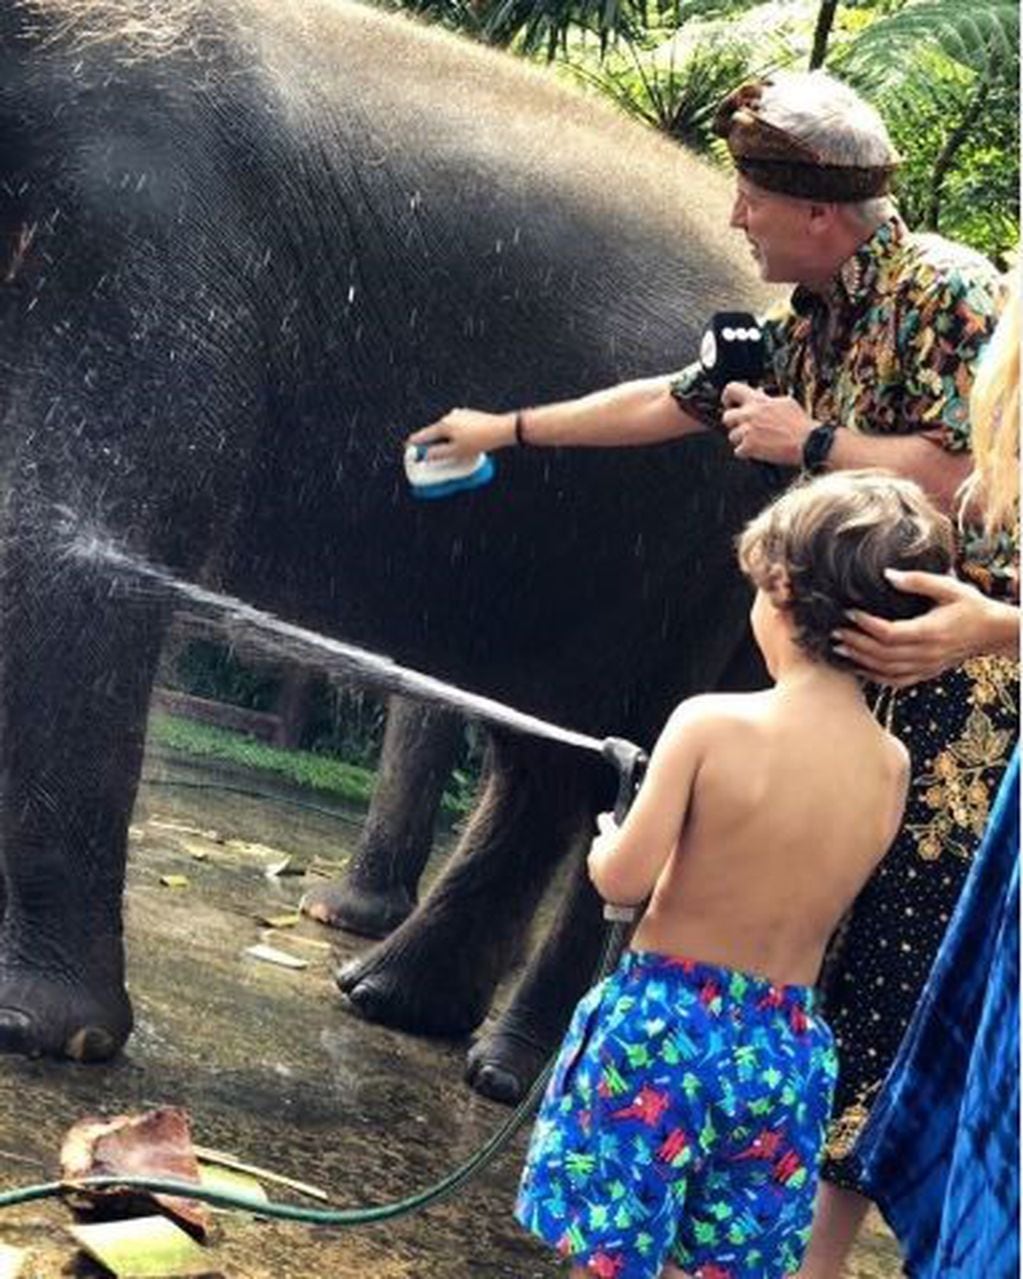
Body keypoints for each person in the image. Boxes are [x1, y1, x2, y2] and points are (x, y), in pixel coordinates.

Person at [407, 70, 1017, 1269]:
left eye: (752, 199)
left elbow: (977, 472)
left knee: (887, 960)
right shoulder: (815, 315)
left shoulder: (949, 291)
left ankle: (826, 1249)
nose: (735, 221)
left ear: (822, 215)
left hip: (964, 677)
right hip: (855, 666)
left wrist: (816, 443)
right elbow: (674, 401)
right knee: (811, 952)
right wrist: (507, 429)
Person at [514, 470, 953, 1279]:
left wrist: (610, 834)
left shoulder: (710, 723)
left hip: (661, 1030)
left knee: (610, 1257)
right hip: (781, 1050)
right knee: (719, 1265)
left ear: (780, 589)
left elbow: (621, 880)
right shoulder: (891, 767)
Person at [835, 275, 1020, 1278]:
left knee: (901, 992)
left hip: (984, 728)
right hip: (949, 708)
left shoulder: (943, 297)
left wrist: (996, 629)